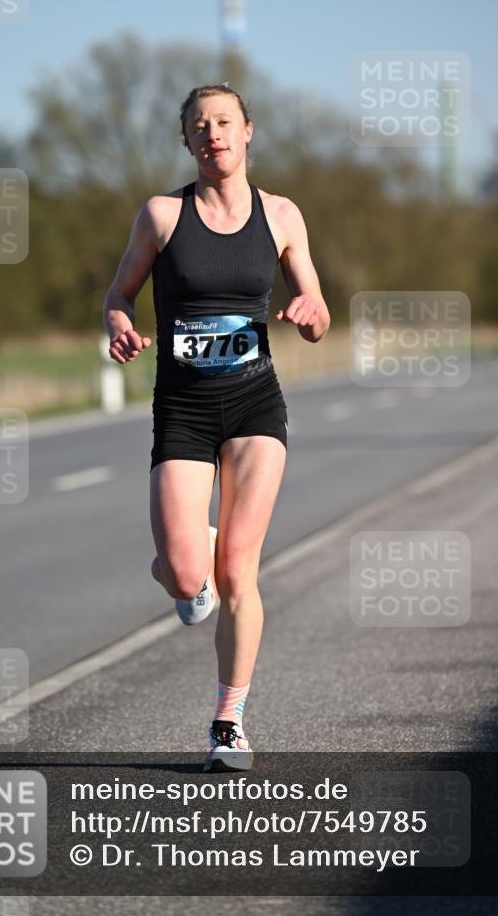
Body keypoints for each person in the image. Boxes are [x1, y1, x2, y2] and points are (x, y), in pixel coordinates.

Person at [103, 84, 330, 772]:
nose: (213, 134)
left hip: (255, 403)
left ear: (247, 131)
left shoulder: (282, 215)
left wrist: (309, 314)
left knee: (238, 569)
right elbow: (119, 294)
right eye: (198, 126)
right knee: (183, 574)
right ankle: (191, 561)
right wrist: (119, 324)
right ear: (187, 141)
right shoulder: (162, 215)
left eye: (224, 121)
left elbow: (316, 308)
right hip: (183, 407)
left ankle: (228, 722)